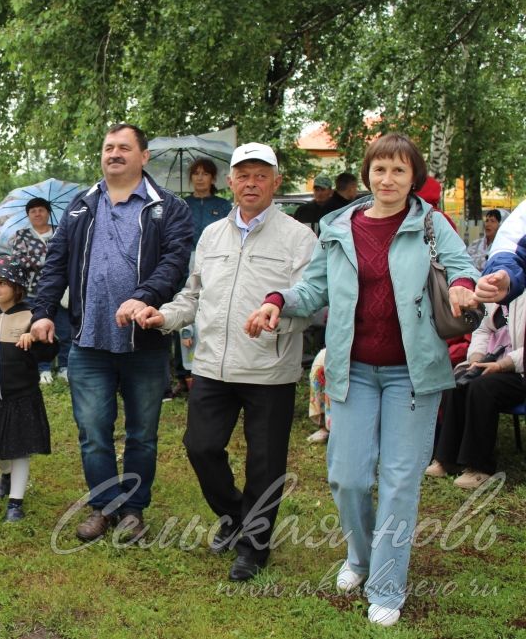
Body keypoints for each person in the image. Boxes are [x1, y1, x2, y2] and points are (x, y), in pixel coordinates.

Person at [245, 133, 479, 626]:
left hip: (413, 375)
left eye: (398, 170)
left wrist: (462, 290)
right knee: (347, 477)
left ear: (414, 177)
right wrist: (277, 301)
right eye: (379, 170)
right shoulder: (338, 227)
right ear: (367, 174)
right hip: (353, 371)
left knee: (399, 481)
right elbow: (313, 288)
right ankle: (360, 557)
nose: (387, 179)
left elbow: (461, 271)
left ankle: (387, 586)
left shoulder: (432, 223)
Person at [135, 142, 317, 581]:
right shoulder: (212, 235)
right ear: (230, 182)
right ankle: (235, 515)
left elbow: (310, 305)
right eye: (243, 175)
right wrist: (165, 316)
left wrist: (278, 321)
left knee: (265, 462)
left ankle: (254, 548)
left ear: (275, 182)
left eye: (261, 175)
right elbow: (193, 295)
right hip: (213, 364)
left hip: (268, 369)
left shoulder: (298, 237)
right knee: (200, 447)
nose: (251, 183)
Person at [30, 123, 193, 542]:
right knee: (92, 432)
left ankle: (134, 510)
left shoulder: (168, 207)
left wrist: (143, 296)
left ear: (144, 156)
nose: (114, 154)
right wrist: (44, 312)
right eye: (108, 148)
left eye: (124, 147)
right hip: (88, 341)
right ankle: (104, 506)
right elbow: (56, 264)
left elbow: (174, 263)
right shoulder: (82, 206)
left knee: (142, 433)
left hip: (145, 342)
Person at [0, 255, 57, 522]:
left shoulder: (31, 317)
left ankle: (15, 504)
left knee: (20, 450)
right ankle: (5, 474)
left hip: (22, 397)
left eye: (2, 282)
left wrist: (35, 339)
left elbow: (50, 350)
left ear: (17, 288)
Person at [426, 297, 523, 489]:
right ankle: (447, 459)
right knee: (458, 381)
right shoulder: (497, 292)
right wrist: (475, 360)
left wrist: (501, 365)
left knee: (482, 388)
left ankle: (479, 468)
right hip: (492, 361)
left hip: (518, 370)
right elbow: (482, 329)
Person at [175, 157, 233, 397]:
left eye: (205, 173)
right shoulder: (181, 205)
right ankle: (182, 374)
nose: (200, 177)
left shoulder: (223, 205)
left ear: (212, 178)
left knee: (211, 313)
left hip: (215, 262)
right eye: (196, 173)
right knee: (183, 314)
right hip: (184, 262)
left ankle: (209, 370)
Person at [8, 197, 70, 383]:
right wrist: (52, 260)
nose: (37, 214)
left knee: (66, 331)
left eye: (41, 210)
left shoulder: (61, 231)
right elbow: (20, 260)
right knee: (39, 331)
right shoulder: (22, 235)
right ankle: (43, 369)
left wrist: (46, 260)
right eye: (33, 211)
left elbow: (70, 254)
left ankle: (64, 367)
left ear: (48, 212)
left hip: (62, 290)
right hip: (34, 292)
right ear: (28, 215)